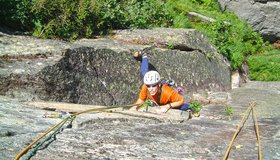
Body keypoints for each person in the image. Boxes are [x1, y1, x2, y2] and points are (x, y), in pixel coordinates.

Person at [133, 48, 190, 113]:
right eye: (148, 86)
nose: (151, 88)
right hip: (159, 100)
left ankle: (144, 57)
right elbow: (141, 100)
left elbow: (181, 100)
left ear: (159, 84)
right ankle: (144, 58)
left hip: (166, 102)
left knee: (184, 107)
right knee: (144, 73)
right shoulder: (146, 87)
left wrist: (168, 106)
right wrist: (133, 109)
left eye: (153, 86)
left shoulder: (167, 92)